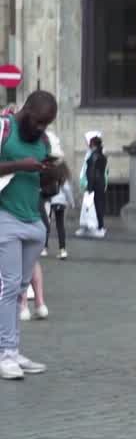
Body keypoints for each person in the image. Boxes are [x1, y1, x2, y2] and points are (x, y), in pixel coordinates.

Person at [0, 90, 58, 380]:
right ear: (26, 110)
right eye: (37, 122)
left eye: (46, 125)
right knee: (8, 287)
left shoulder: (43, 141)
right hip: (5, 217)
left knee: (21, 289)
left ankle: (12, 349)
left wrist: (51, 175)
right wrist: (19, 165)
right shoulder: (5, 129)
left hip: (33, 220)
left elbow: (44, 185)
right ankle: (6, 353)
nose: (40, 129)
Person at [44, 163, 71, 259]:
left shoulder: (50, 175)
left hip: (49, 200)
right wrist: (71, 202)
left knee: (46, 223)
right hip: (61, 202)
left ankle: (44, 248)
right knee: (60, 225)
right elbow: (67, 190)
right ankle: (62, 250)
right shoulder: (64, 179)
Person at [84, 134, 108, 238]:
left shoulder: (94, 155)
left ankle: (99, 227)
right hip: (100, 182)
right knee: (99, 204)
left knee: (93, 205)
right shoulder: (101, 155)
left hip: (95, 183)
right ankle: (100, 226)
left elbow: (91, 172)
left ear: (93, 144)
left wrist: (89, 186)